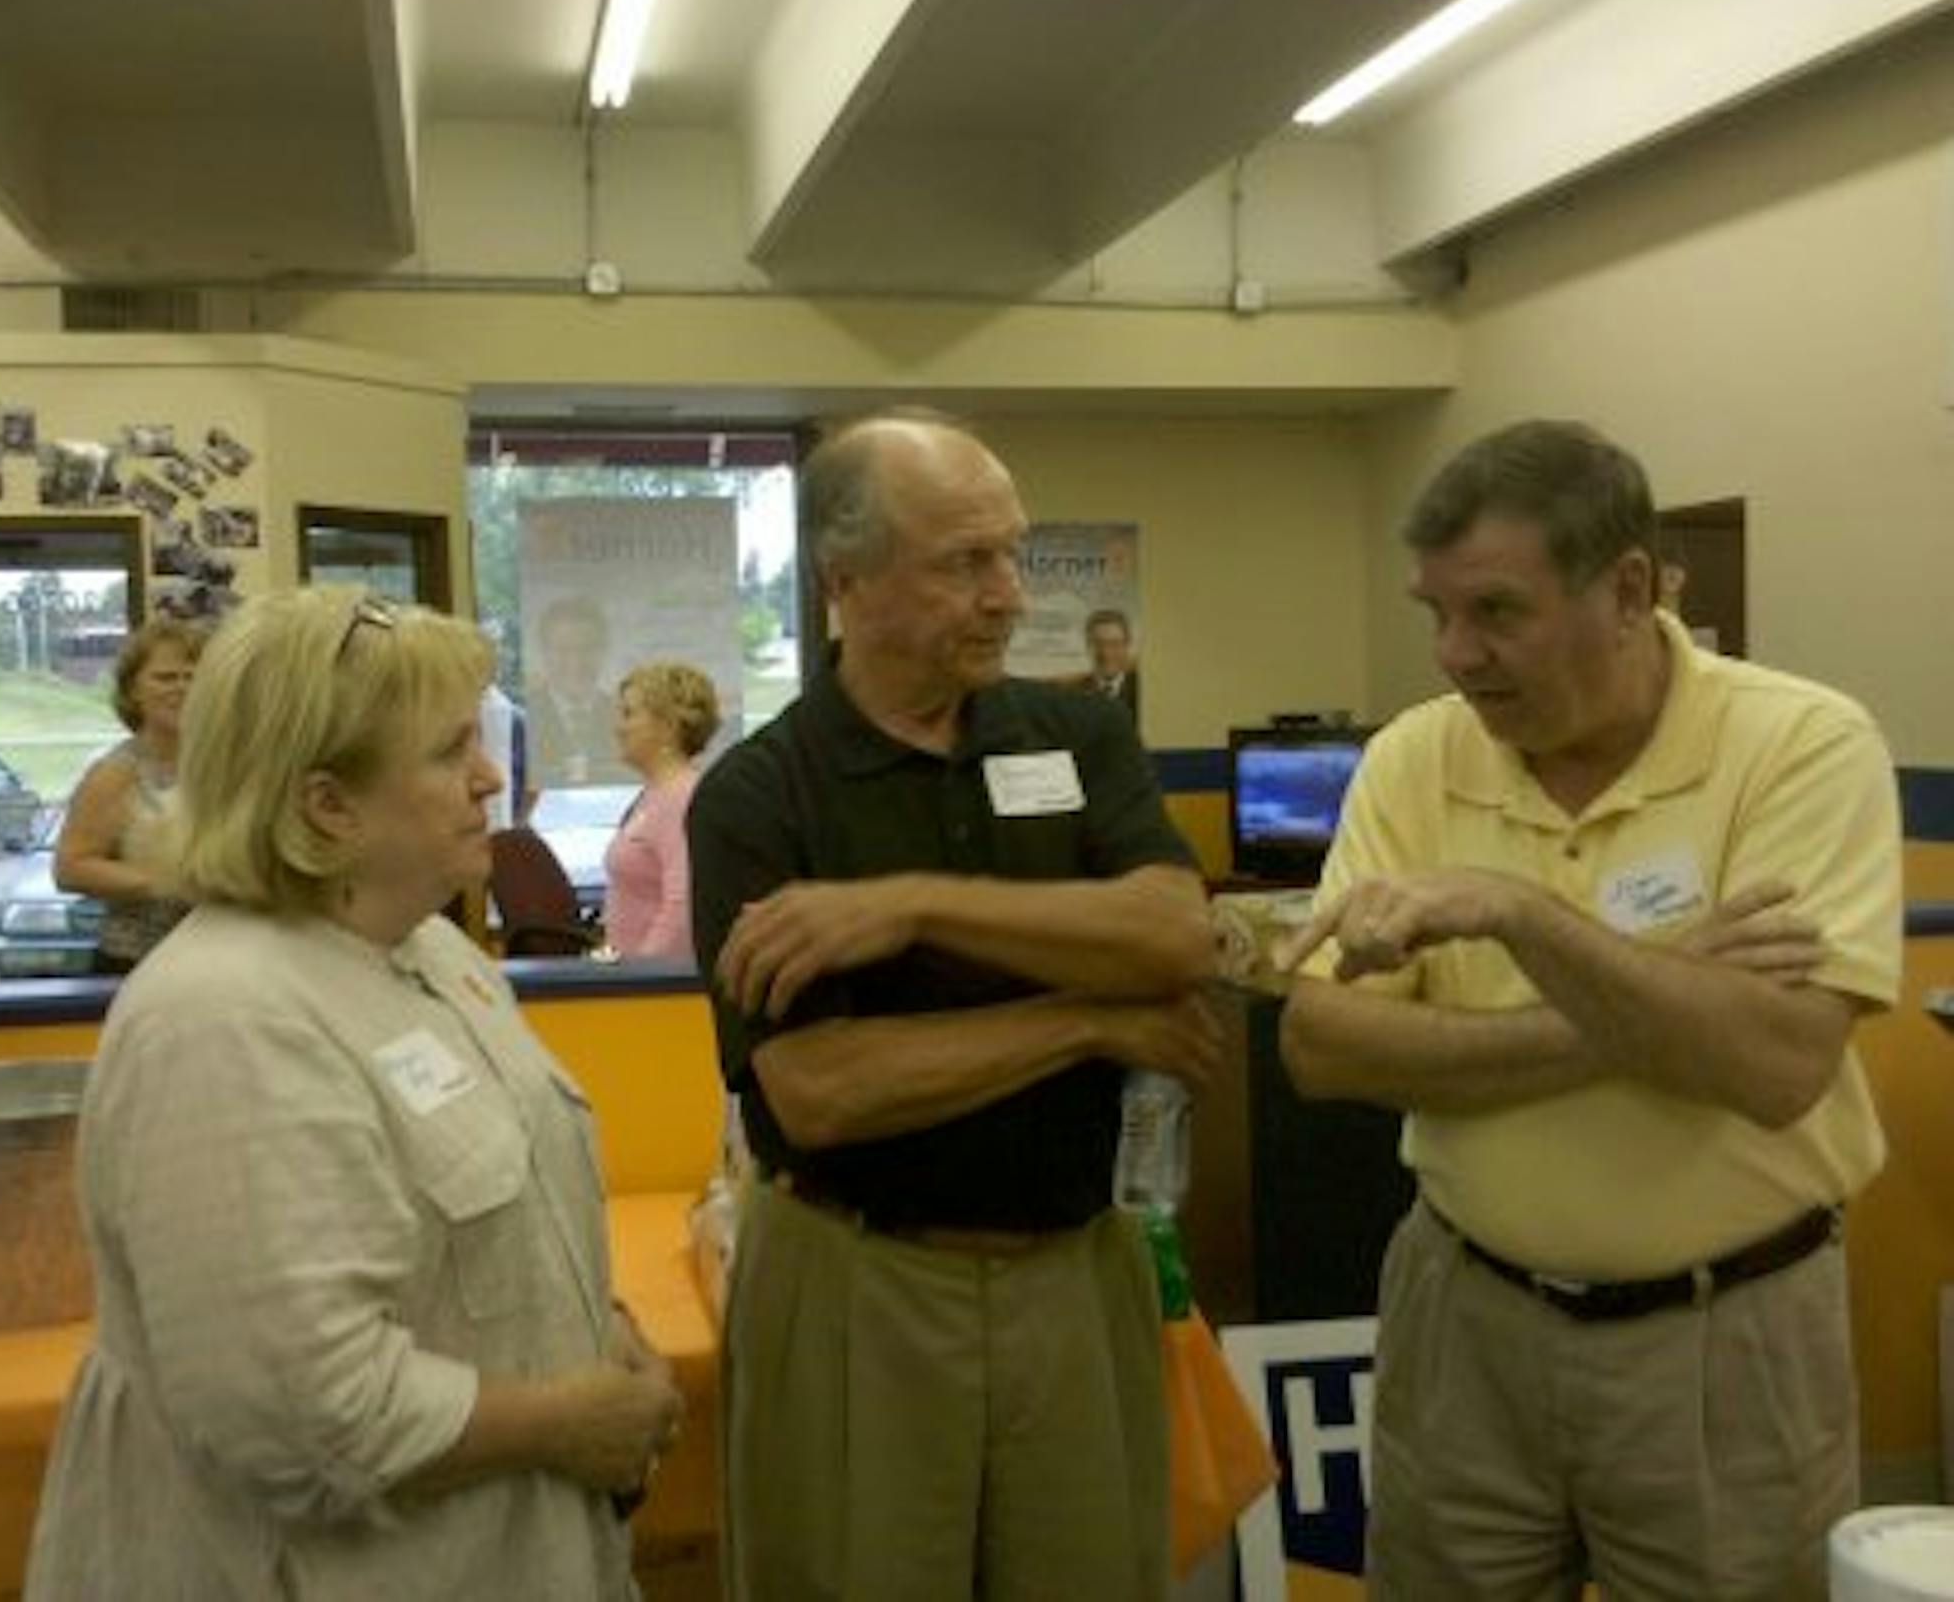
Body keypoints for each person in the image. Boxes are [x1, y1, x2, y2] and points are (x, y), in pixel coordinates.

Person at [1276, 419, 1903, 1601]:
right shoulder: (1415, 758)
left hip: (1726, 1341)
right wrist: (1659, 986)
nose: (1457, 654)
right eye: (1437, 613)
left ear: (1626, 589)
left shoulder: (1803, 747)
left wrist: (1519, 915)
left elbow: (1772, 1068)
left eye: (1498, 612)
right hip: (1463, 1318)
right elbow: (1322, 1046)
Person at [25, 587, 683, 1600]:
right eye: (446, 750)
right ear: (327, 805)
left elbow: (494, 1225)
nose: (488, 776)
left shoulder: (428, 948)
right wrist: (570, 1422)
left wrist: (600, 1332)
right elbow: (295, 1412)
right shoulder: (225, 1020)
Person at [688, 409, 1221, 1600]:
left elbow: (1176, 934)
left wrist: (910, 906)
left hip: (1076, 1272)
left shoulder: (1078, 732)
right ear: (843, 581)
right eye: (962, 563)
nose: (1006, 594)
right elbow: (821, 1093)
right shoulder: (757, 797)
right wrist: (1087, 1019)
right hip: (858, 1285)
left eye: (1012, 555)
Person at [54, 615, 205, 973]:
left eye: (193, 677)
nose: (181, 688)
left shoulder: (225, 765)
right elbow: (70, 868)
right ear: (133, 690)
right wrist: (170, 884)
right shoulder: (115, 773)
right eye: (166, 677)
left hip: (216, 959)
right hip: (136, 962)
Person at [602, 661, 719, 960]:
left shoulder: (682, 799)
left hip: (653, 988)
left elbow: (682, 909)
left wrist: (640, 979)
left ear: (667, 726)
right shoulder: (653, 795)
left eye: (629, 714)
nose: (618, 728)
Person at [531, 595, 629, 788]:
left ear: (604, 650)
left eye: (587, 649)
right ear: (543, 652)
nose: (576, 662)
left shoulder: (624, 715)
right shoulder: (527, 716)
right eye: (562, 650)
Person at [1078, 606, 1140, 719]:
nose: (1106, 653)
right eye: (1098, 644)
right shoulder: (1074, 695)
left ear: (1128, 645)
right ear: (1087, 646)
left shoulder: (1143, 691)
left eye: (1114, 644)